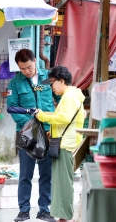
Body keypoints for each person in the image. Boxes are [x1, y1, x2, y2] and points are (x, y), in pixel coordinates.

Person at [7, 49, 60, 222]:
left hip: (48, 132)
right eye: (22, 69)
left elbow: (60, 99)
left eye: (29, 67)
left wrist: (57, 120)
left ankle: (44, 210)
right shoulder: (15, 82)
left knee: (47, 174)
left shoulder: (48, 78)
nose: (26, 71)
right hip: (27, 134)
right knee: (25, 174)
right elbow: (12, 108)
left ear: (35, 61)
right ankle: (24, 210)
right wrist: (31, 126)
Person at [35, 66, 85, 222]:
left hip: (66, 145)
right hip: (66, 143)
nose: (51, 87)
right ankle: (64, 215)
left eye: (52, 83)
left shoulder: (69, 97)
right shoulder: (71, 95)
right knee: (61, 181)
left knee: (63, 182)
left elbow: (64, 118)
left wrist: (42, 116)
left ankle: (65, 217)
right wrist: (53, 129)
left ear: (61, 81)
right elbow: (63, 117)